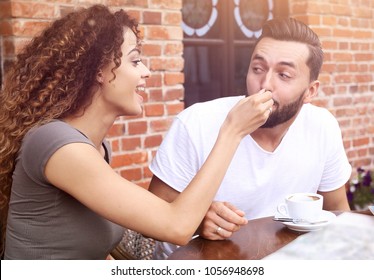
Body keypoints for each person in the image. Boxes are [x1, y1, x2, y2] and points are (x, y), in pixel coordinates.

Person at [0, 4, 274, 259]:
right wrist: (232, 131)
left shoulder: (96, 147)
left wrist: (198, 217)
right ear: (100, 71)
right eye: (135, 61)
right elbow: (176, 225)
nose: (146, 72)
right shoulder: (58, 144)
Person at [148, 17, 352, 259]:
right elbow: (154, 218)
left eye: (284, 75)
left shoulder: (322, 126)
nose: (265, 85)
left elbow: (337, 210)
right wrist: (198, 220)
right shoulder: (196, 122)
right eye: (258, 69)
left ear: (310, 91)